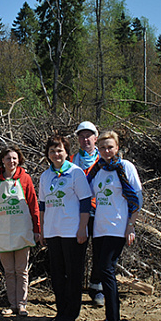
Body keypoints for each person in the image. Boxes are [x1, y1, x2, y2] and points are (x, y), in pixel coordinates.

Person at [87, 131, 142, 321]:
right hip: (100, 228)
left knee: (107, 270)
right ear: (97, 150)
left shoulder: (125, 167)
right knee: (102, 271)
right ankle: (111, 318)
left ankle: (113, 320)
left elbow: (136, 198)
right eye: (102, 148)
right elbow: (88, 193)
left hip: (117, 227)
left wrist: (131, 225)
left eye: (110, 147)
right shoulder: (98, 170)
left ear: (117, 147)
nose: (106, 151)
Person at [39, 135, 91, 321]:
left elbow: (85, 202)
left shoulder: (76, 173)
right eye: (52, 151)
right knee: (58, 273)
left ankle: (72, 312)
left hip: (72, 231)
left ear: (67, 153)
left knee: (73, 273)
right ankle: (61, 311)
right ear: (48, 154)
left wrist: (82, 228)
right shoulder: (45, 176)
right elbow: (42, 205)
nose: (56, 154)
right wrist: (43, 229)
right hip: (53, 231)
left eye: (59, 150)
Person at [0, 145, 40, 316]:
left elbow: (33, 204)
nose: (12, 161)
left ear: (19, 160)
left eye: (15, 158)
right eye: (8, 158)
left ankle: (22, 304)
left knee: (21, 270)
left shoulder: (25, 178)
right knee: (9, 271)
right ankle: (12, 304)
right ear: (2, 160)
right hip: (2, 231)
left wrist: (37, 229)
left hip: (22, 229)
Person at [70, 121, 103, 307]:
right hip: (78, 213)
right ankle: (75, 288)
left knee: (99, 250)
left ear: (95, 138)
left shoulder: (104, 159)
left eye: (88, 136)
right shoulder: (72, 160)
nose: (85, 140)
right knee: (77, 251)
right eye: (81, 136)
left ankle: (96, 287)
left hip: (100, 211)